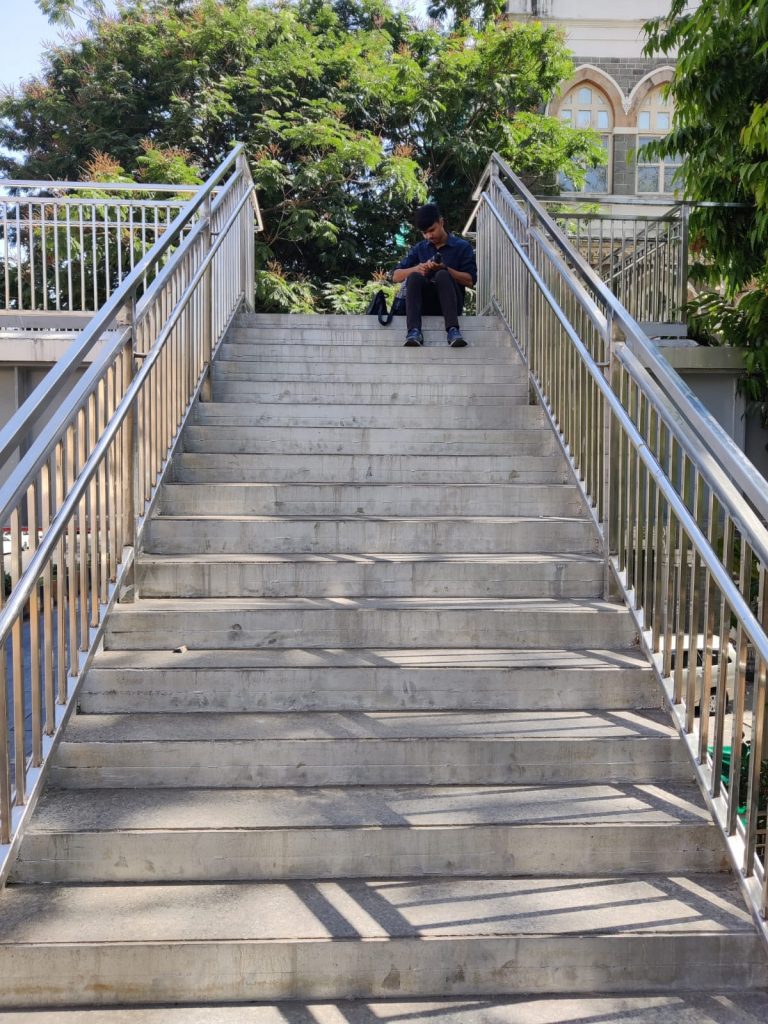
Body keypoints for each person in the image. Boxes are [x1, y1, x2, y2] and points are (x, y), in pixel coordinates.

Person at [392, 204, 477, 348]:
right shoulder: (420, 248)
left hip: (451, 304)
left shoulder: (462, 247)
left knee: (442, 274)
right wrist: (417, 268)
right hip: (424, 304)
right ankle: (413, 331)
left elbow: (470, 281)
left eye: (432, 230)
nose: (429, 236)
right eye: (425, 233)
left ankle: (453, 330)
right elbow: (395, 276)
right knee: (414, 276)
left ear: (441, 222)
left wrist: (445, 268)